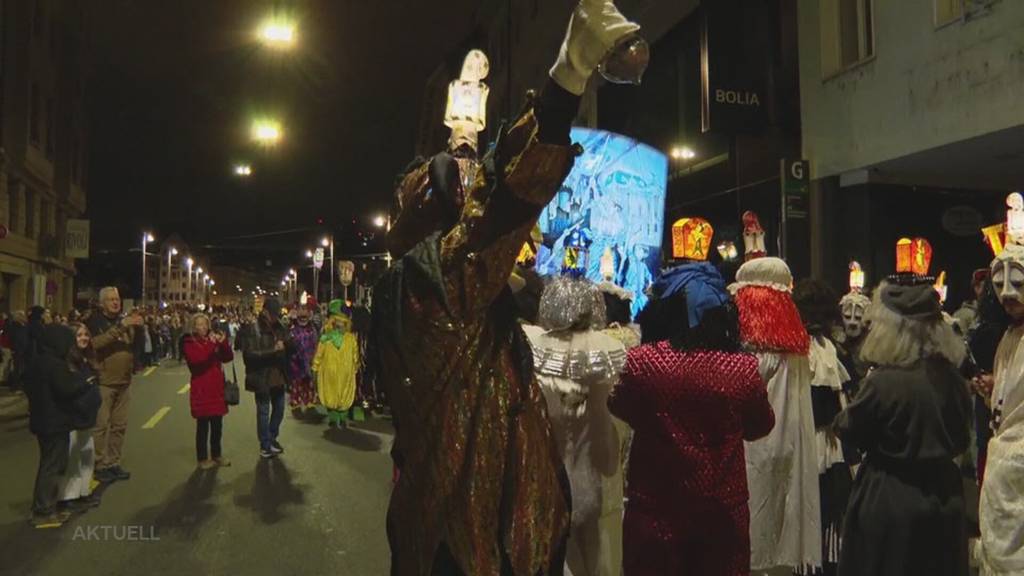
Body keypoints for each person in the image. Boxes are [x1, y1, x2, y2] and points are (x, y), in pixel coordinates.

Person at [372, 1, 645, 572]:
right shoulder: (435, 286)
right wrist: (566, 79)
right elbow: (503, 206)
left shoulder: (482, 304)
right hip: (465, 548)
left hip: (505, 536)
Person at [610, 261, 774, 575]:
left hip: (655, 512)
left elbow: (619, 406)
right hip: (722, 515)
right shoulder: (742, 369)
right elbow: (760, 425)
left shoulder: (644, 363)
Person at [835, 280, 970, 576]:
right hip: (944, 497)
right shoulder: (954, 381)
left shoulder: (883, 381)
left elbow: (849, 428)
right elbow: (961, 439)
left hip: (889, 496)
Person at [522, 278, 627, 576]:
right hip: (597, 476)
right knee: (599, 560)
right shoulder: (608, 350)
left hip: (545, 477)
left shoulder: (533, 348)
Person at [730, 257, 821, 575]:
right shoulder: (795, 348)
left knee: (750, 534)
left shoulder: (749, 349)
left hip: (749, 446)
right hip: (789, 444)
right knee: (781, 527)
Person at [793, 279, 854, 576]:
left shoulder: (824, 351)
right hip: (819, 442)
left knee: (821, 509)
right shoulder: (827, 351)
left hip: (823, 442)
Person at [975, 242, 1024, 574]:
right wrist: (994, 389)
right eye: (999, 284)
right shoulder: (1010, 336)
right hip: (1002, 466)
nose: (1007, 293)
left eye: (1018, 284)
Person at [24, 324, 102, 528]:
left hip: (42, 420)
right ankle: (43, 510)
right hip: (54, 422)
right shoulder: (54, 364)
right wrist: (85, 383)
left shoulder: (37, 361)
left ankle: (45, 507)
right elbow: (66, 389)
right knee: (52, 466)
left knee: (48, 464)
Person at [88, 287, 143, 483]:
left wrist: (140, 327)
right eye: (111, 299)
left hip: (124, 381)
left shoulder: (125, 321)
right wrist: (120, 327)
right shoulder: (94, 321)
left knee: (120, 426)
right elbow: (94, 343)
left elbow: (134, 345)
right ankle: (99, 464)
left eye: (117, 299)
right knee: (101, 426)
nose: (115, 302)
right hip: (104, 382)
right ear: (102, 303)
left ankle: (113, 462)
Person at [183, 313, 234, 470]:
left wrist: (223, 343)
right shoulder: (189, 342)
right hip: (202, 388)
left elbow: (227, 357)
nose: (203, 327)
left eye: (205, 324)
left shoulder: (211, 340)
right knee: (203, 425)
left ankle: (217, 454)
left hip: (217, 388)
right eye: (199, 324)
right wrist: (212, 345)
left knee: (217, 425)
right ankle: (202, 458)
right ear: (193, 326)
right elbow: (197, 360)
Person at [242, 298, 290, 459]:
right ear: (265, 312)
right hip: (261, 375)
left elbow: (290, 344)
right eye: (273, 314)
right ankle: (265, 444)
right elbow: (249, 355)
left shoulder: (280, 326)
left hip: (278, 375)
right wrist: (273, 350)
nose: (276, 317)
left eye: (277, 314)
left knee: (280, 408)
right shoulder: (253, 328)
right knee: (263, 411)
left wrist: (289, 344)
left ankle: (272, 438)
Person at [313, 300, 360, 426]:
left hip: (345, 373)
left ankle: (342, 417)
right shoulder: (326, 338)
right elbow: (319, 354)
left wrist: (355, 367)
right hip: (330, 372)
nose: (340, 324)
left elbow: (355, 355)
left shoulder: (350, 339)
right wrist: (315, 367)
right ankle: (334, 417)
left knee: (344, 393)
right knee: (331, 393)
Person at [288, 305, 319, 411]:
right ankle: (296, 403)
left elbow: (316, 344)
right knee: (297, 383)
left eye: (305, 310)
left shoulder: (313, 329)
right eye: (301, 311)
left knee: (308, 384)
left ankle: (309, 403)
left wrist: (314, 358)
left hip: (309, 360)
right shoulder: (292, 328)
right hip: (296, 362)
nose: (303, 315)